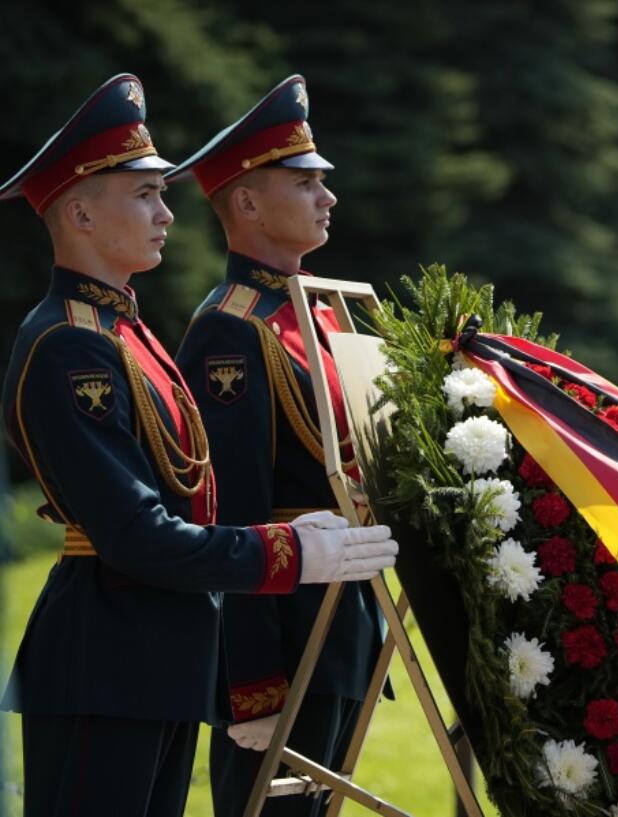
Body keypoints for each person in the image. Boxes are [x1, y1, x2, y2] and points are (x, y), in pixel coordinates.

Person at [0, 74, 398, 817]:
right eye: (145, 195)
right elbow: (134, 532)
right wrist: (288, 553)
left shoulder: (123, 330)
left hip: (162, 648)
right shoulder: (66, 344)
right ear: (81, 210)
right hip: (107, 653)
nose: (168, 213)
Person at [168, 75, 383, 817]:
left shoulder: (321, 313)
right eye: (305, 182)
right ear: (249, 203)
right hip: (286, 633)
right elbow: (233, 511)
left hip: (345, 616)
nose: (328, 196)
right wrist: (250, 682)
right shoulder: (231, 328)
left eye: (323, 181)